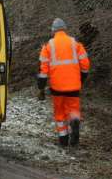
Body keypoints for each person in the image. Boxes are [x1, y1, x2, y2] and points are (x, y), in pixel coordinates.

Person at [37, 18, 90, 147]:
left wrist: (41, 88)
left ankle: (63, 140)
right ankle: (75, 122)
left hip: (57, 87)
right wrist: (81, 80)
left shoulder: (48, 46)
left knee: (60, 114)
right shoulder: (75, 43)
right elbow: (85, 65)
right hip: (73, 86)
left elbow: (43, 71)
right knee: (73, 109)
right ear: (65, 29)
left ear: (53, 31)